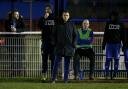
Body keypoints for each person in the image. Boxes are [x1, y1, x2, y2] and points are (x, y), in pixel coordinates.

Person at [51, 10, 77, 83]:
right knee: (56, 64)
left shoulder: (72, 24)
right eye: (64, 15)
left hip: (69, 48)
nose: (66, 17)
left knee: (67, 65)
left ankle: (65, 80)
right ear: (62, 16)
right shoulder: (57, 24)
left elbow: (75, 35)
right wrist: (54, 43)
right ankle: (53, 79)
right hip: (59, 47)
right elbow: (53, 35)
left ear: (69, 16)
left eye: (67, 15)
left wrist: (74, 44)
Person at [102, 11, 124, 79]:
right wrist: (103, 44)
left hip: (117, 45)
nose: (113, 17)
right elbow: (105, 34)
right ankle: (106, 74)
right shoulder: (108, 23)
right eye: (112, 16)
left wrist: (124, 45)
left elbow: (123, 35)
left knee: (117, 59)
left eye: (114, 16)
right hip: (109, 44)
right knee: (108, 59)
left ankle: (115, 74)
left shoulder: (120, 24)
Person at [5, 10, 25, 76]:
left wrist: (17, 30)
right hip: (10, 42)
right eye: (15, 14)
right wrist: (11, 29)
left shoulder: (21, 20)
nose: (17, 16)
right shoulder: (8, 20)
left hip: (19, 41)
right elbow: (6, 28)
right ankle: (13, 72)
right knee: (12, 57)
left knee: (19, 57)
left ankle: (20, 72)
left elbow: (23, 29)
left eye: (18, 14)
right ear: (13, 15)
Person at [38, 5, 55, 80]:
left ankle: (53, 75)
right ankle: (44, 75)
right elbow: (39, 26)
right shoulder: (42, 18)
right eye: (46, 9)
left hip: (53, 43)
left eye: (48, 9)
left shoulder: (55, 18)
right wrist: (44, 18)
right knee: (44, 60)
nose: (46, 11)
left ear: (51, 10)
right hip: (45, 42)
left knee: (53, 60)